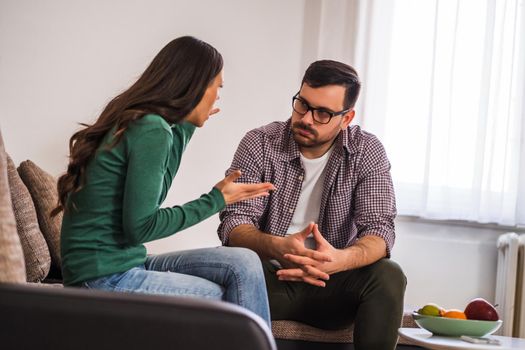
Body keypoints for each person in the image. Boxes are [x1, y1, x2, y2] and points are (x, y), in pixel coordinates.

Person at [52, 36, 274, 326]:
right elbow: (141, 227)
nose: (218, 96)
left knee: (244, 262)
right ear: (195, 85)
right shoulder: (151, 129)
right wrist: (217, 200)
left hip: (123, 262)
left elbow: (155, 195)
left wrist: (186, 125)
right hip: (102, 277)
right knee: (224, 302)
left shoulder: (149, 123)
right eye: (217, 87)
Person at [218, 60, 407, 349]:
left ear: (346, 118)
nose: (307, 119)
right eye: (302, 105)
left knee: (389, 275)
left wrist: (340, 260)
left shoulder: (366, 151)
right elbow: (234, 224)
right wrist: (278, 247)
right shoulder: (259, 143)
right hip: (270, 279)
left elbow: (380, 230)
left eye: (323, 114)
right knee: (233, 267)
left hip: (333, 282)